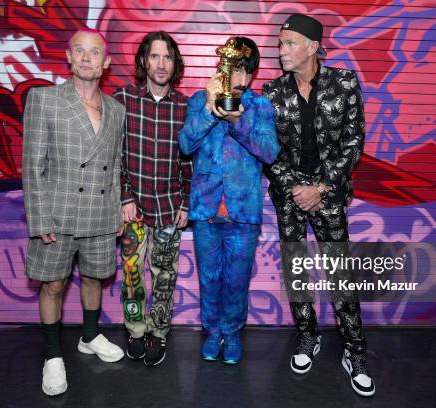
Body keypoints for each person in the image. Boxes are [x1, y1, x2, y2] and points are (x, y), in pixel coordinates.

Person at [263, 14, 376, 396]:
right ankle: (307, 336)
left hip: (328, 197)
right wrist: (297, 188)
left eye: (290, 43)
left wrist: (322, 187)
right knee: (297, 272)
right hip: (290, 197)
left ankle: (355, 351)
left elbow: (354, 141)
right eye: (281, 43)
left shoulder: (343, 83)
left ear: (312, 47)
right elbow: (268, 150)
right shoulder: (271, 92)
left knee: (339, 274)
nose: (282, 50)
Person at [22, 28, 125, 396]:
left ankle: (89, 335)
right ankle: (52, 355)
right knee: (53, 284)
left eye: (94, 52)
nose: (86, 57)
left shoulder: (117, 110)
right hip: (58, 214)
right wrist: (39, 219)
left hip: (99, 214)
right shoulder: (44, 99)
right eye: (79, 50)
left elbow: (114, 168)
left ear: (106, 62)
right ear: (68, 56)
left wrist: (115, 214)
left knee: (95, 278)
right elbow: (32, 165)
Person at [179, 37, 279, 364]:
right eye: (233, 69)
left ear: (251, 75)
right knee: (209, 279)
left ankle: (232, 334)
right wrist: (210, 110)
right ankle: (212, 333)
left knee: (236, 281)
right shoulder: (199, 100)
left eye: (245, 72)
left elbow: (270, 152)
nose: (239, 78)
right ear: (220, 68)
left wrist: (239, 121)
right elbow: (185, 143)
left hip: (243, 213)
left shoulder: (261, 107)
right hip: (206, 211)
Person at [113, 31, 191, 367]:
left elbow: (190, 162)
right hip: (133, 210)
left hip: (169, 209)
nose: (161, 64)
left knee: (164, 277)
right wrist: (124, 196)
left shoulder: (186, 106)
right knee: (131, 277)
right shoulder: (123, 100)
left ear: (175, 64)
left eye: (167, 57)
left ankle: (158, 333)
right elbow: (113, 154)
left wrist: (185, 203)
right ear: (144, 61)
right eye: (155, 56)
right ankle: (134, 329)